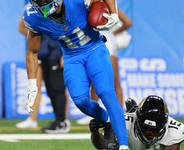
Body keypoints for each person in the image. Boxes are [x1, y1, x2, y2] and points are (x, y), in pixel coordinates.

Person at [23, 0, 129, 149]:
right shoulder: (32, 17)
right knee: (80, 100)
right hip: (71, 57)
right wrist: (32, 85)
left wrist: (113, 13)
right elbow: (32, 52)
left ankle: (124, 145)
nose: (41, 3)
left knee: (106, 92)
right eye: (37, 0)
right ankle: (106, 120)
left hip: (94, 48)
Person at [16, 3, 70, 133]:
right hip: (43, 52)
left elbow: (69, 29)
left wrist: (66, 53)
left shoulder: (61, 4)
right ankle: (58, 121)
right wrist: (38, 32)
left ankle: (63, 121)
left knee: (58, 88)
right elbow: (22, 28)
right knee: (51, 88)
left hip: (57, 52)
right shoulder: (30, 8)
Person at [77, 8, 132, 125]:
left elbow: (128, 22)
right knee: (94, 78)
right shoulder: (86, 5)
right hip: (92, 40)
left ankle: (119, 113)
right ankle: (92, 113)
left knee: (114, 80)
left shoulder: (109, 6)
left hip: (108, 42)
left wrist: (113, 32)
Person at [89, 95, 184, 150]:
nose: (149, 132)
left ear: (163, 125)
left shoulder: (174, 131)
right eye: (145, 128)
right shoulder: (126, 122)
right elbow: (102, 145)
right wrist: (95, 133)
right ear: (138, 121)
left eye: (154, 130)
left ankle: (133, 109)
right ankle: (132, 110)